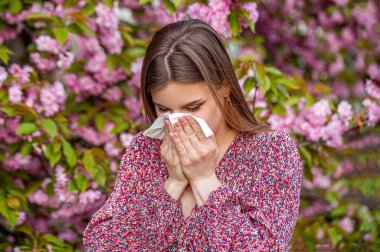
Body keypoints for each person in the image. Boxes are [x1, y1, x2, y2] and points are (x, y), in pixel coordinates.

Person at [82, 19, 303, 251]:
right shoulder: (147, 149)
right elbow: (101, 243)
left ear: (224, 87)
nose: (178, 123)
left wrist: (204, 180)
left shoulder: (270, 152)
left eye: (193, 108)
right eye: (164, 110)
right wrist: (173, 185)